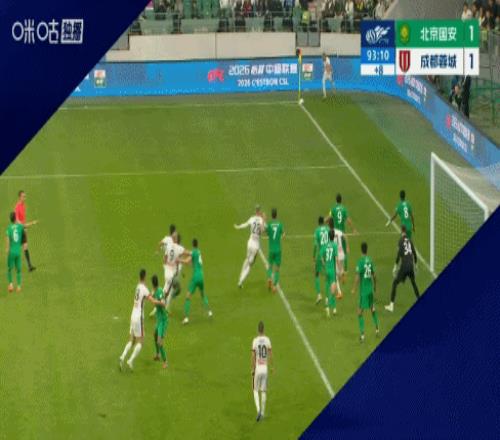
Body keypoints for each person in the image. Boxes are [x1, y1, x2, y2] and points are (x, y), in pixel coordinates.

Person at [119, 269, 162, 371]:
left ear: (139, 277)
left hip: (133, 314)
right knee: (141, 341)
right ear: (145, 277)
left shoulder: (138, 287)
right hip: (139, 317)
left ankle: (122, 356)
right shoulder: (144, 289)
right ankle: (130, 361)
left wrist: (150, 294)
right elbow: (152, 301)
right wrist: (161, 303)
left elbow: (145, 296)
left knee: (132, 339)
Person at [385, 226, 420, 312]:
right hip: (411, 265)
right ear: (406, 232)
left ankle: (391, 305)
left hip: (404, 266)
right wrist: (416, 265)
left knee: (395, 283)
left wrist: (395, 267)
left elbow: (399, 254)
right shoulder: (410, 240)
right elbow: (414, 254)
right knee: (413, 283)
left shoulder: (400, 241)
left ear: (401, 231)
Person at [351, 242, 380, 342]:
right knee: (372, 309)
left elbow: (357, 277)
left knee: (359, 312)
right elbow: (374, 275)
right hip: (370, 290)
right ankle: (377, 329)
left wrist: (354, 288)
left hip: (363, 291)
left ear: (361, 250)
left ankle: (362, 335)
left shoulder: (360, 262)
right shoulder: (370, 260)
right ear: (367, 249)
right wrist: (375, 286)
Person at [181, 239, 213, 325]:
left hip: (195, 277)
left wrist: (178, 260)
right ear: (197, 244)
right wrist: (183, 255)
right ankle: (209, 311)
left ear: (192, 244)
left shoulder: (193, 252)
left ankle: (186, 318)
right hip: (201, 276)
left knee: (187, 297)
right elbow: (190, 260)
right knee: (203, 295)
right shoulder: (198, 252)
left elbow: (187, 260)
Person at [234, 205, 266, 288]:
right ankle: (240, 281)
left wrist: (238, 227)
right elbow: (263, 230)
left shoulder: (252, 218)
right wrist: (264, 220)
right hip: (255, 245)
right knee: (250, 265)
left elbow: (245, 225)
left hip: (250, 242)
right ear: (260, 211)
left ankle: (240, 276)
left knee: (247, 259)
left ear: (255, 211)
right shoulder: (261, 220)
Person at [326, 193, 356, 276]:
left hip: (334, 233)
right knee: (344, 250)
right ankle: (345, 269)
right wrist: (353, 229)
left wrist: (323, 221)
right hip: (342, 233)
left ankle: (334, 267)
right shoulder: (344, 209)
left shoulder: (333, 208)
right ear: (341, 200)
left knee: (334, 248)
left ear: (336, 200)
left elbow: (329, 217)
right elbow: (348, 220)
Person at [251, 321, 273, 422]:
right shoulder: (267, 340)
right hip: (265, 368)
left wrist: (253, 368)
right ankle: (263, 413)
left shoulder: (255, 341)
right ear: (264, 329)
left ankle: (258, 410)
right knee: (263, 391)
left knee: (255, 390)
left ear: (258, 330)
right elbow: (270, 354)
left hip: (258, 367)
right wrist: (272, 367)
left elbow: (253, 356)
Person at [14, 190, 37, 272]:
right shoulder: (17, 207)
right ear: (20, 197)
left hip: (23, 229)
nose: (25, 198)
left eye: (25, 196)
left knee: (25, 247)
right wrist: (24, 226)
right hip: (18, 230)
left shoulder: (24, 206)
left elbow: (23, 218)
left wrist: (25, 228)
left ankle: (29, 266)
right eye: (23, 196)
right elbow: (17, 220)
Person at [265, 208, 284, 293]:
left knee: (270, 266)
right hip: (278, 250)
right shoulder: (280, 224)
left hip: (271, 249)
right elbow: (283, 234)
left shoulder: (269, 225)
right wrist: (281, 236)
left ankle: (269, 278)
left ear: (271, 215)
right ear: (276, 215)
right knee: (277, 269)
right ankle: (275, 285)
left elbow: (267, 233)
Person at [152, 274, 168, 369]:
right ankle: (158, 355)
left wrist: (156, 301)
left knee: (159, 341)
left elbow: (163, 304)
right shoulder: (155, 291)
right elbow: (151, 297)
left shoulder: (160, 291)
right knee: (155, 334)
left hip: (163, 320)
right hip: (159, 319)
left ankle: (165, 361)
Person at [321, 229, 338, 317]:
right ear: (334, 236)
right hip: (332, 270)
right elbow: (336, 258)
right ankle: (328, 306)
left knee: (328, 287)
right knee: (333, 289)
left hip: (326, 269)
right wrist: (339, 269)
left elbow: (321, 257)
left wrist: (324, 265)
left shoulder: (324, 246)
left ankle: (334, 309)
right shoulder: (335, 245)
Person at [313, 216, 330, 304]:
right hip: (328, 253)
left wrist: (313, 256)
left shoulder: (317, 231)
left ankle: (319, 295)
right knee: (327, 276)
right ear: (323, 222)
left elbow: (315, 245)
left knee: (316, 274)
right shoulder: (328, 229)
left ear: (318, 222)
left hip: (320, 254)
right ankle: (327, 298)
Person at [6, 212, 24, 293]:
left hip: (11, 252)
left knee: (9, 269)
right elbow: (25, 226)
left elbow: (8, 240)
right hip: (18, 252)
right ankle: (19, 286)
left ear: (10, 219)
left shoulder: (9, 228)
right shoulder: (20, 226)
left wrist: (7, 249)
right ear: (16, 218)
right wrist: (33, 223)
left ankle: (11, 285)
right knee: (18, 270)